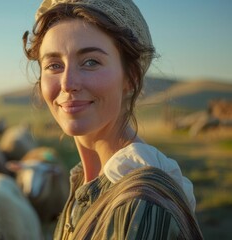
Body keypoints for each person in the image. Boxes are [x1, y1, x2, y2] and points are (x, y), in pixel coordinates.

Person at [23, 0, 203, 239]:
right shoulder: (86, 181)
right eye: (54, 65)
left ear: (130, 77)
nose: (67, 83)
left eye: (91, 62)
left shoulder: (140, 203)